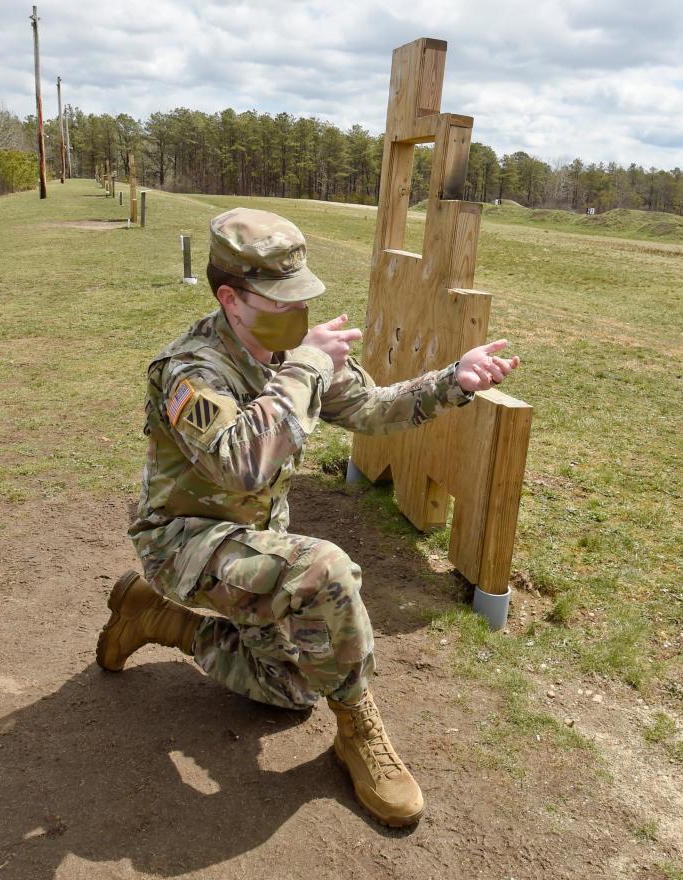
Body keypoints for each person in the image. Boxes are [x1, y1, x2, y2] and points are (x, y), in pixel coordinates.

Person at [96, 207, 519, 827]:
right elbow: (241, 463)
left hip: (256, 547)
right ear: (229, 299)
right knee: (325, 570)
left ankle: (159, 621)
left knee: (293, 690)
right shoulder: (188, 371)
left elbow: (373, 410)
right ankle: (357, 732)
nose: (296, 312)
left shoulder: (293, 352)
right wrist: (305, 370)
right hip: (185, 543)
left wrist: (453, 379)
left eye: (300, 295)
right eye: (279, 298)